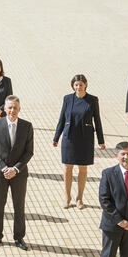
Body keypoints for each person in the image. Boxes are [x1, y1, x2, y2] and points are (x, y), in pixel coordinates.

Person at [0, 96, 33, 250]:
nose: (12, 110)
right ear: (4, 109)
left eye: (15, 108)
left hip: (19, 174)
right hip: (0, 173)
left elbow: (29, 152)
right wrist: (4, 168)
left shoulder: (27, 126)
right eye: (9, 108)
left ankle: (19, 237)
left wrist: (15, 169)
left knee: (19, 206)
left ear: (19, 109)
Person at [53, 74, 106, 209]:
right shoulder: (67, 99)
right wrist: (56, 137)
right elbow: (62, 119)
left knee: (83, 169)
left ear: (86, 85)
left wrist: (101, 140)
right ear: (73, 86)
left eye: (81, 85)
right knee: (67, 168)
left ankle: (79, 198)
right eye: (76, 85)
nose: (78, 87)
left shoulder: (92, 100)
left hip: (85, 138)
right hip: (69, 138)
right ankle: (67, 197)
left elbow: (97, 120)